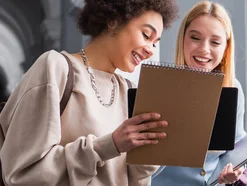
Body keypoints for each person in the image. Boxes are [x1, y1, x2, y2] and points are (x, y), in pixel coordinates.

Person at [0, 0, 178, 185]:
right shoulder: (56, 68)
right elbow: (22, 174)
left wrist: (151, 154)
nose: (150, 50)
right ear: (114, 20)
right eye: (146, 35)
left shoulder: (129, 91)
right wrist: (110, 145)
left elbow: (133, 179)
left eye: (155, 43)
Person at [151, 1, 247, 186]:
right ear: (183, 39)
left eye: (215, 42)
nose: (204, 49)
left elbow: (236, 144)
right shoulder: (160, 86)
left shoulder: (232, 88)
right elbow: (142, 163)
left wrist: (233, 169)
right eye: (195, 38)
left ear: (225, 49)